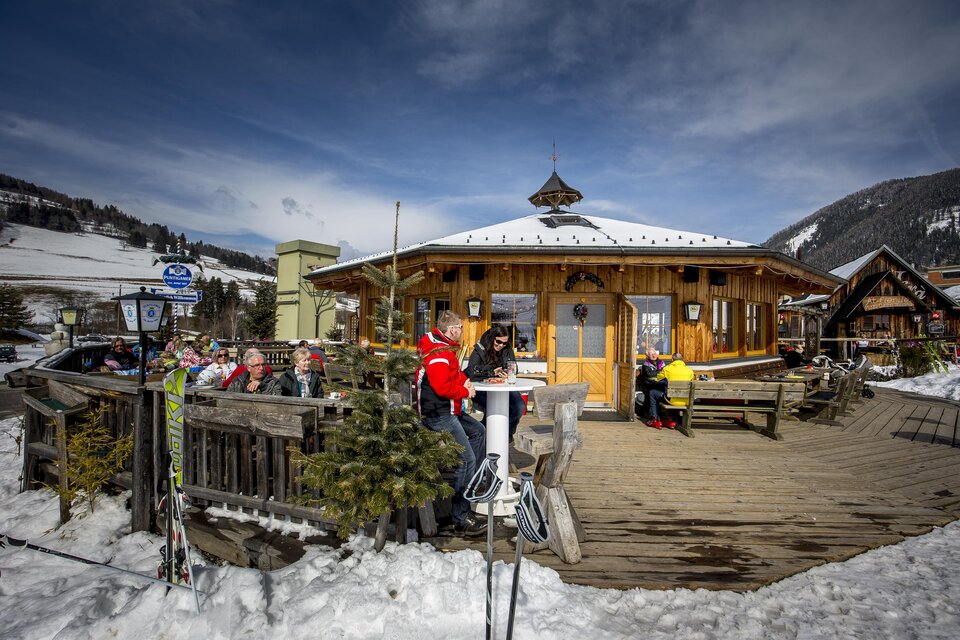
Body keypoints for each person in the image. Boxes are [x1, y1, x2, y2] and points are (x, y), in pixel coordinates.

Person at [416, 310, 487, 536]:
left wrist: (466, 382)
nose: (462, 332)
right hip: (437, 413)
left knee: (478, 431)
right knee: (466, 459)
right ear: (452, 329)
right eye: (461, 328)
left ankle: (470, 481)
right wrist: (465, 392)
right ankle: (460, 516)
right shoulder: (437, 354)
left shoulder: (444, 347)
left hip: (448, 409)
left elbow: (455, 374)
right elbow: (442, 388)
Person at [466, 326, 525, 441]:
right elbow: (471, 370)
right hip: (483, 388)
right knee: (496, 409)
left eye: (504, 343)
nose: (501, 345)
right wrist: (490, 371)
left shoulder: (507, 347)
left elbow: (514, 367)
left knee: (519, 406)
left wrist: (508, 373)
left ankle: (507, 434)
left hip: (503, 386)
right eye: (498, 341)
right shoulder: (480, 347)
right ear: (493, 338)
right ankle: (482, 436)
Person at [647, 352, 696, 430]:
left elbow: (658, 378)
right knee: (672, 394)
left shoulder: (667, 369)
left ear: (672, 359)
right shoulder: (689, 370)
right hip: (686, 400)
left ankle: (655, 419)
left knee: (652, 392)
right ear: (682, 360)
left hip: (671, 400)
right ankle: (671, 419)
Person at [636, 347, 665, 419]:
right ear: (647, 356)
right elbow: (649, 374)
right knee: (651, 393)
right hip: (649, 385)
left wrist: (656, 372)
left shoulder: (662, 363)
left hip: (659, 385)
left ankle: (660, 415)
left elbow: (664, 372)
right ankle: (653, 416)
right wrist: (659, 372)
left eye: (654, 353)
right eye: (651, 354)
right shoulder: (646, 364)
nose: (654, 355)